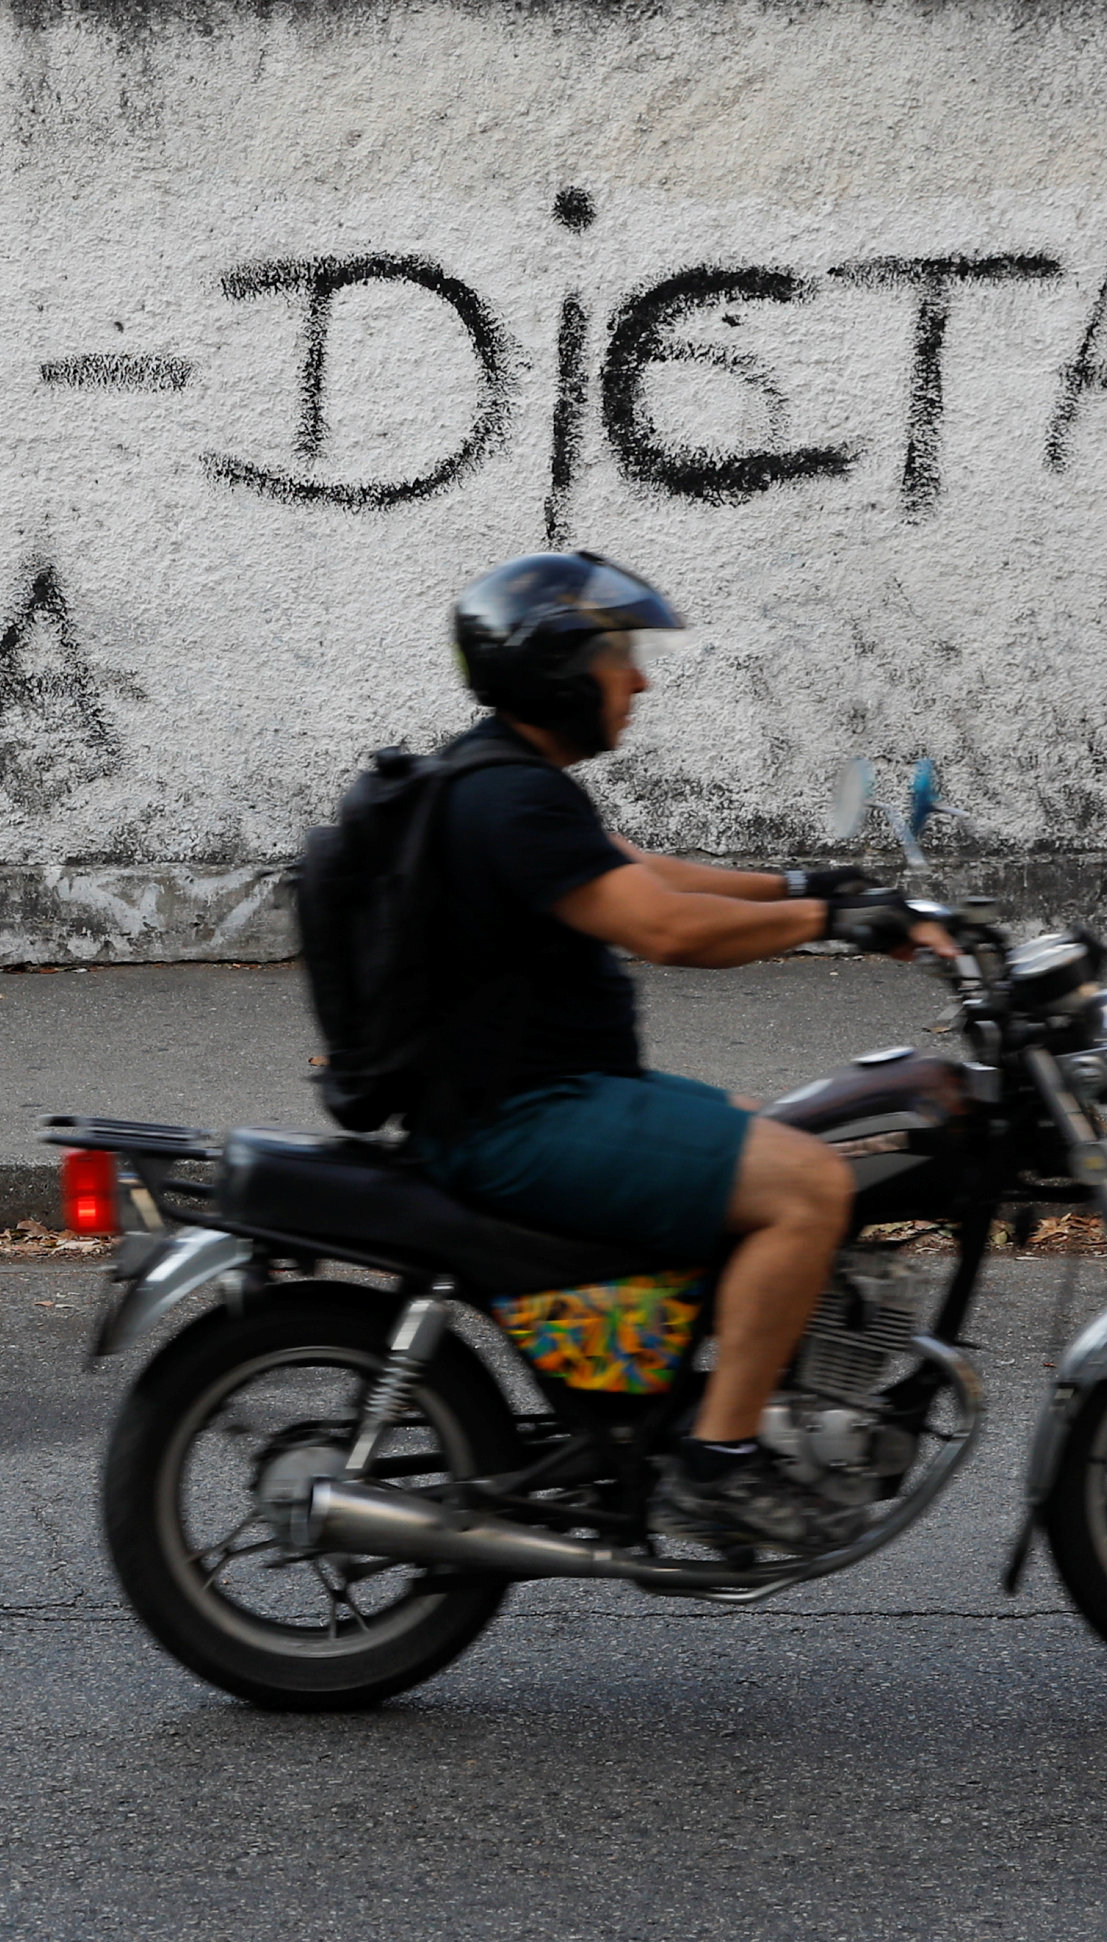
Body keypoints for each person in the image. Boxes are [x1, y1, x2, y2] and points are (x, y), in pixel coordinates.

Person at [400, 550, 951, 1548]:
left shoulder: (504, 779)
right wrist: (837, 921)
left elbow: (648, 873)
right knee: (808, 1187)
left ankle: (675, 1408)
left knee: (767, 1132)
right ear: (556, 672)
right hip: (525, 1117)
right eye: (619, 658)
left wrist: (806, 886)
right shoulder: (510, 801)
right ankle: (719, 1459)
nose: (640, 680)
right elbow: (666, 928)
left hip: (535, 1094)